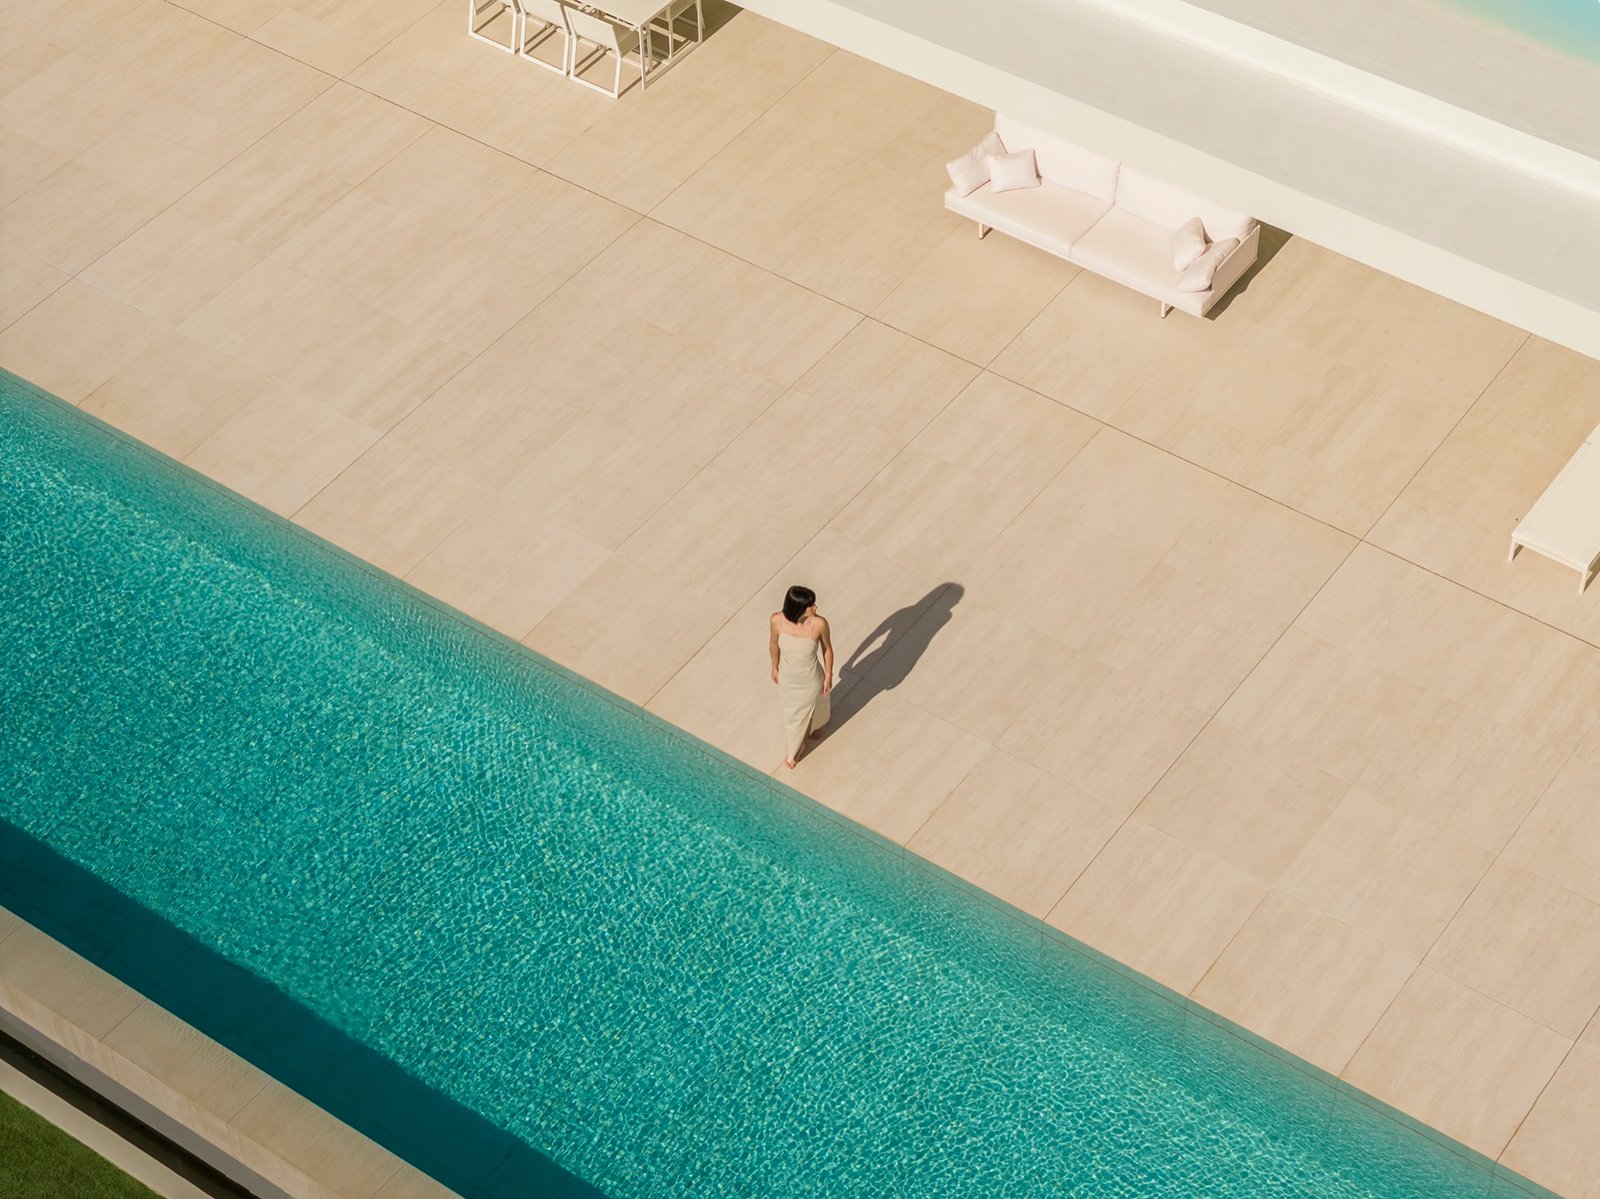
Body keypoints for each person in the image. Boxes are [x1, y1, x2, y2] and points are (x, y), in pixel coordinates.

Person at [769, 585, 833, 768]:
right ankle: (797, 746)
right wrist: (774, 666)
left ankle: (818, 726)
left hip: (811, 676)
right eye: (811, 605)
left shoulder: (819, 624)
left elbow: (827, 649)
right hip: (788, 676)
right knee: (793, 713)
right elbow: (773, 644)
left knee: (821, 698)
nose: (816, 607)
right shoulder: (776, 620)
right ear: (798, 608)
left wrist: (828, 674)